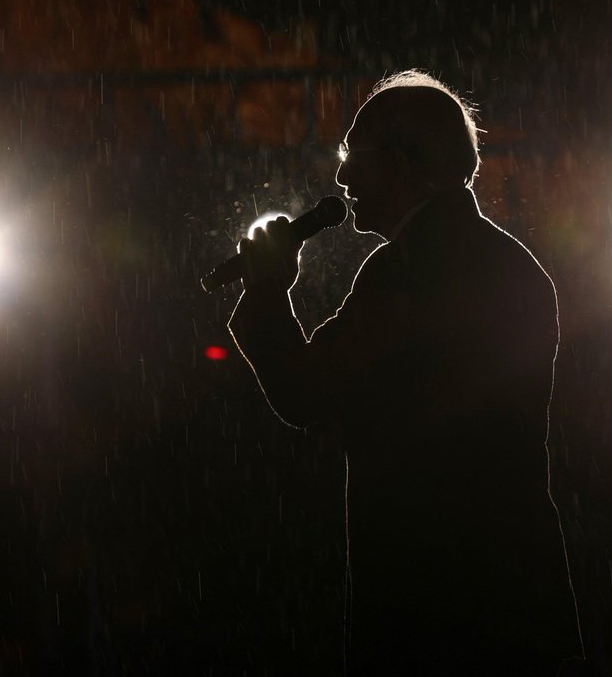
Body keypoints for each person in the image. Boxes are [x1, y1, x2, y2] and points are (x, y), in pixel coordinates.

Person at [228, 70, 581, 675]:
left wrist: (267, 290)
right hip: (512, 582)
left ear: (396, 163)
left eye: (351, 156)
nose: (340, 177)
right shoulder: (506, 259)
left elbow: (304, 389)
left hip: (436, 596)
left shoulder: (412, 266)